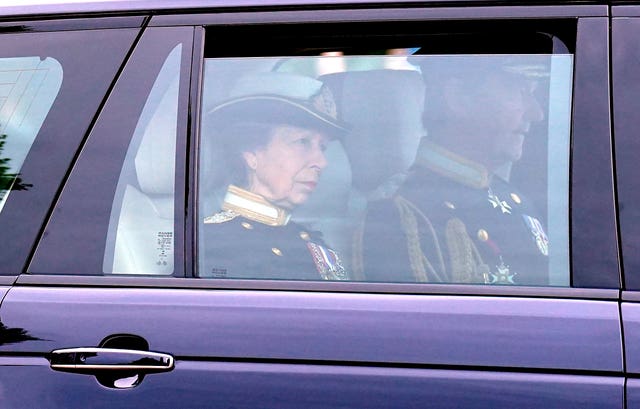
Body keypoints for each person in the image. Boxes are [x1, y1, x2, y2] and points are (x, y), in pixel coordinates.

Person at [357, 55, 550, 285]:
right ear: (458, 99)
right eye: (517, 91)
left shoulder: (511, 197)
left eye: (531, 92)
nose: (536, 113)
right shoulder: (402, 217)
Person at [200, 72, 350, 281]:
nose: (321, 162)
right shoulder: (215, 244)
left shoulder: (311, 242)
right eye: (302, 142)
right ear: (251, 153)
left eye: (322, 147)